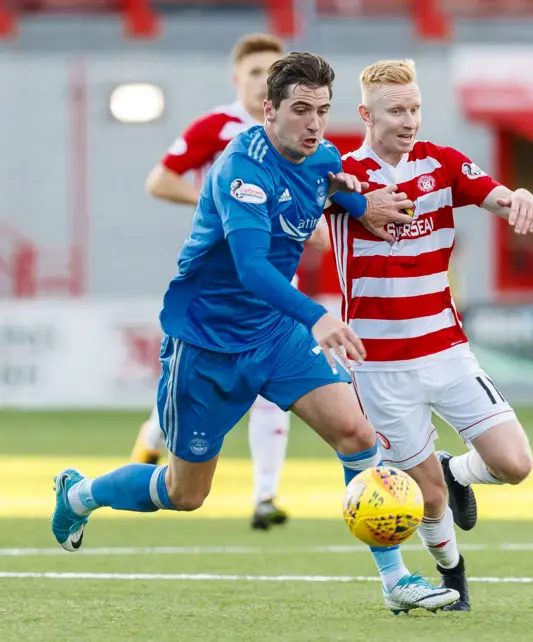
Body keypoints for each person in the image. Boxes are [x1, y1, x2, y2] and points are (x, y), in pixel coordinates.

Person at [51, 52, 459, 613]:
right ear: (268, 110)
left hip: (273, 334)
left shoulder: (322, 156)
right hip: (207, 344)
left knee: (357, 434)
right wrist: (316, 315)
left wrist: (362, 206)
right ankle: (79, 493)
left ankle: (396, 581)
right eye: (300, 110)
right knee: (184, 493)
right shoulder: (241, 169)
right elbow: (251, 267)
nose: (314, 123)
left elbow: (331, 185)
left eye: (322, 110)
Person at [326, 59, 533, 611]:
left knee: (515, 464)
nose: (409, 119)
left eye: (415, 108)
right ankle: (453, 573)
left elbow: (492, 193)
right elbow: (311, 193)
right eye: (396, 110)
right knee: (427, 498)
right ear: (365, 114)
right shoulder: (345, 177)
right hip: (381, 368)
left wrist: (516, 196)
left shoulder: (441, 164)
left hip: (447, 350)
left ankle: (458, 468)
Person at [130, 33, 330, 530]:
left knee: (271, 391)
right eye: (254, 72)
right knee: (192, 398)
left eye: (271, 70)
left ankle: (265, 495)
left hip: (273, 288)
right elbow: (159, 180)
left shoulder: (304, 134)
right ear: (238, 80)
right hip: (219, 288)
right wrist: (218, 204)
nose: (264, 78)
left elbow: (322, 196)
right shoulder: (220, 128)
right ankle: (149, 448)